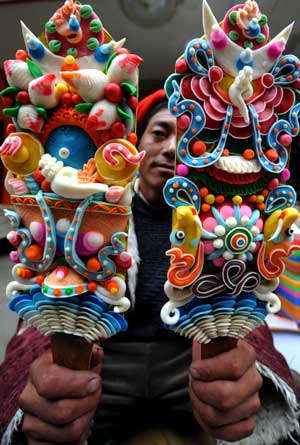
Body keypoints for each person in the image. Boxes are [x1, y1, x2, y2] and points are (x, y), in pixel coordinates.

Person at [0, 90, 299, 445]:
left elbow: (237, 297)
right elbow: (47, 304)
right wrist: (43, 383)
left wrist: (245, 374)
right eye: (159, 133)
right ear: (135, 143)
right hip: (107, 360)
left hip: (187, 359)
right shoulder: (97, 206)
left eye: (185, 138)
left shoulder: (217, 219)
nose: (172, 148)